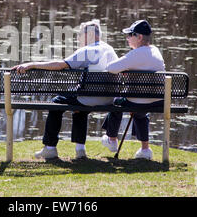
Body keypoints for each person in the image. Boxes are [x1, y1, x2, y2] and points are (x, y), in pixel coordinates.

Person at [12, 19, 118, 160]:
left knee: (57, 103)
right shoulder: (110, 49)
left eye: (80, 35)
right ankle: (80, 150)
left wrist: (31, 64)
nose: (79, 38)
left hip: (89, 98)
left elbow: (60, 65)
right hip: (108, 99)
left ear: (89, 35)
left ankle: (50, 148)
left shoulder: (87, 50)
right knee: (80, 106)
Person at [101, 20, 165, 160]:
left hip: (137, 101)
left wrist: (126, 68)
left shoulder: (136, 54)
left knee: (117, 102)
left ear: (140, 37)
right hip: (158, 101)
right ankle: (145, 150)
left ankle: (111, 138)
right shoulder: (155, 50)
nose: (127, 38)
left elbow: (111, 68)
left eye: (130, 35)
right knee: (140, 113)